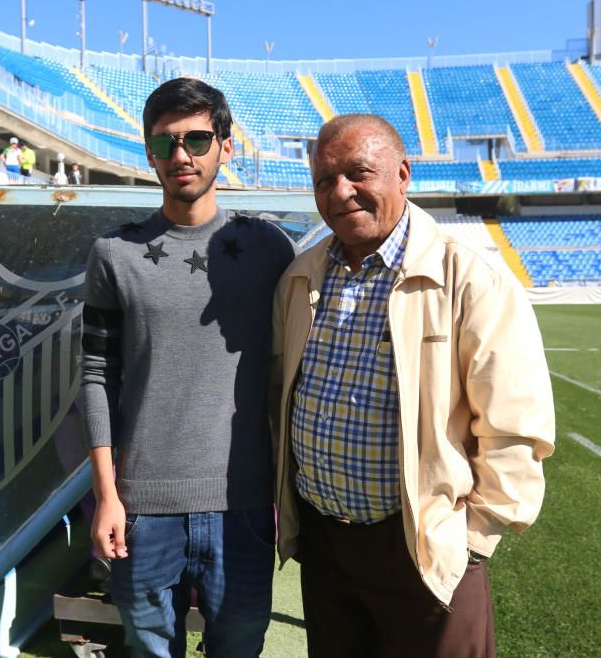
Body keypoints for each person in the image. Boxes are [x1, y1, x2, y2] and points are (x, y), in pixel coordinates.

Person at [270, 114, 556, 657]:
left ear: (403, 174)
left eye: (359, 173)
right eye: (325, 180)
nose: (341, 192)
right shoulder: (301, 275)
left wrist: (470, 543)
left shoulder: (471, 279)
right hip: (325, 545)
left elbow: (515, 428)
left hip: (425, 547)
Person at [81, 77, 295, 657]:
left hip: (245, 504)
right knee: (149, 649)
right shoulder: (114, 254)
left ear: (226, 146)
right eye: (164, 144)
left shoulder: (271, 249)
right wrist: (107, 494)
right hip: (143, 506)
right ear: (148, 152)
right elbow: (97, 376)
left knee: (239, 647)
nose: (181, 156)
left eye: (197, 140)